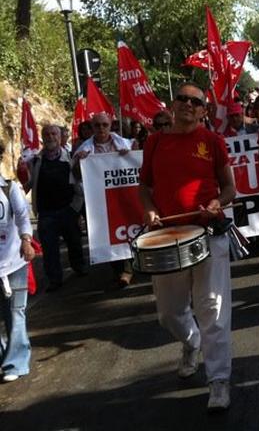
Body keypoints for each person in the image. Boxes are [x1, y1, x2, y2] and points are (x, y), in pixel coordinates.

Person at [138, 83, 236, 411]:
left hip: (209, 234)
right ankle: (191, 341)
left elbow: (229, 189)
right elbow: (145, 188)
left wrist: (215, 203)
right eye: (182, 99)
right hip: (167, 238)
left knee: (213, 309)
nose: (188, 105)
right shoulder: (154, 143)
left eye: (195, 102)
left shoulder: (212, 142)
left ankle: (219, 380)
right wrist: (150, 210)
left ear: (203, 111)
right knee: (168, 313)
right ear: (172, 104)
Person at [73, 113, 134, 288]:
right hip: (99, 202)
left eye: (105, 125)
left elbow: (136, 166)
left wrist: (129, 155)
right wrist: (80, 162)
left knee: (126, 231)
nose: (101, 129)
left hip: (122, 197)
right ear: (91, 128)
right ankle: (118, 270)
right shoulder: (84, 150)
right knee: (107, 236)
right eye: (97, 125)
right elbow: (76, 176)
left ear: (110, 126)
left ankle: (127, 270)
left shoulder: (125, 144)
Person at [23, 124, 85, 291]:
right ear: (43, 137)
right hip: (46, 212)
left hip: (68, 209)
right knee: (49, 249)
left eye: (53, 134)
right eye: (47, 134)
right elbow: (27, 185)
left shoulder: (71, 157)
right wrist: (21, 173)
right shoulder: (35, 161)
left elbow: (80, 182)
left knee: (74, 243)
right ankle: (54, 280)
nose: (50, 137)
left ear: (60, 137)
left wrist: (76, 209)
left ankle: (80, 269)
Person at [0, 140, 36, 383]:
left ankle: (16, 362)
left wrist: (26, 240)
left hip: (13, 261)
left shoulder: (9, 188)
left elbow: (23, 216)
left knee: (15, 312)